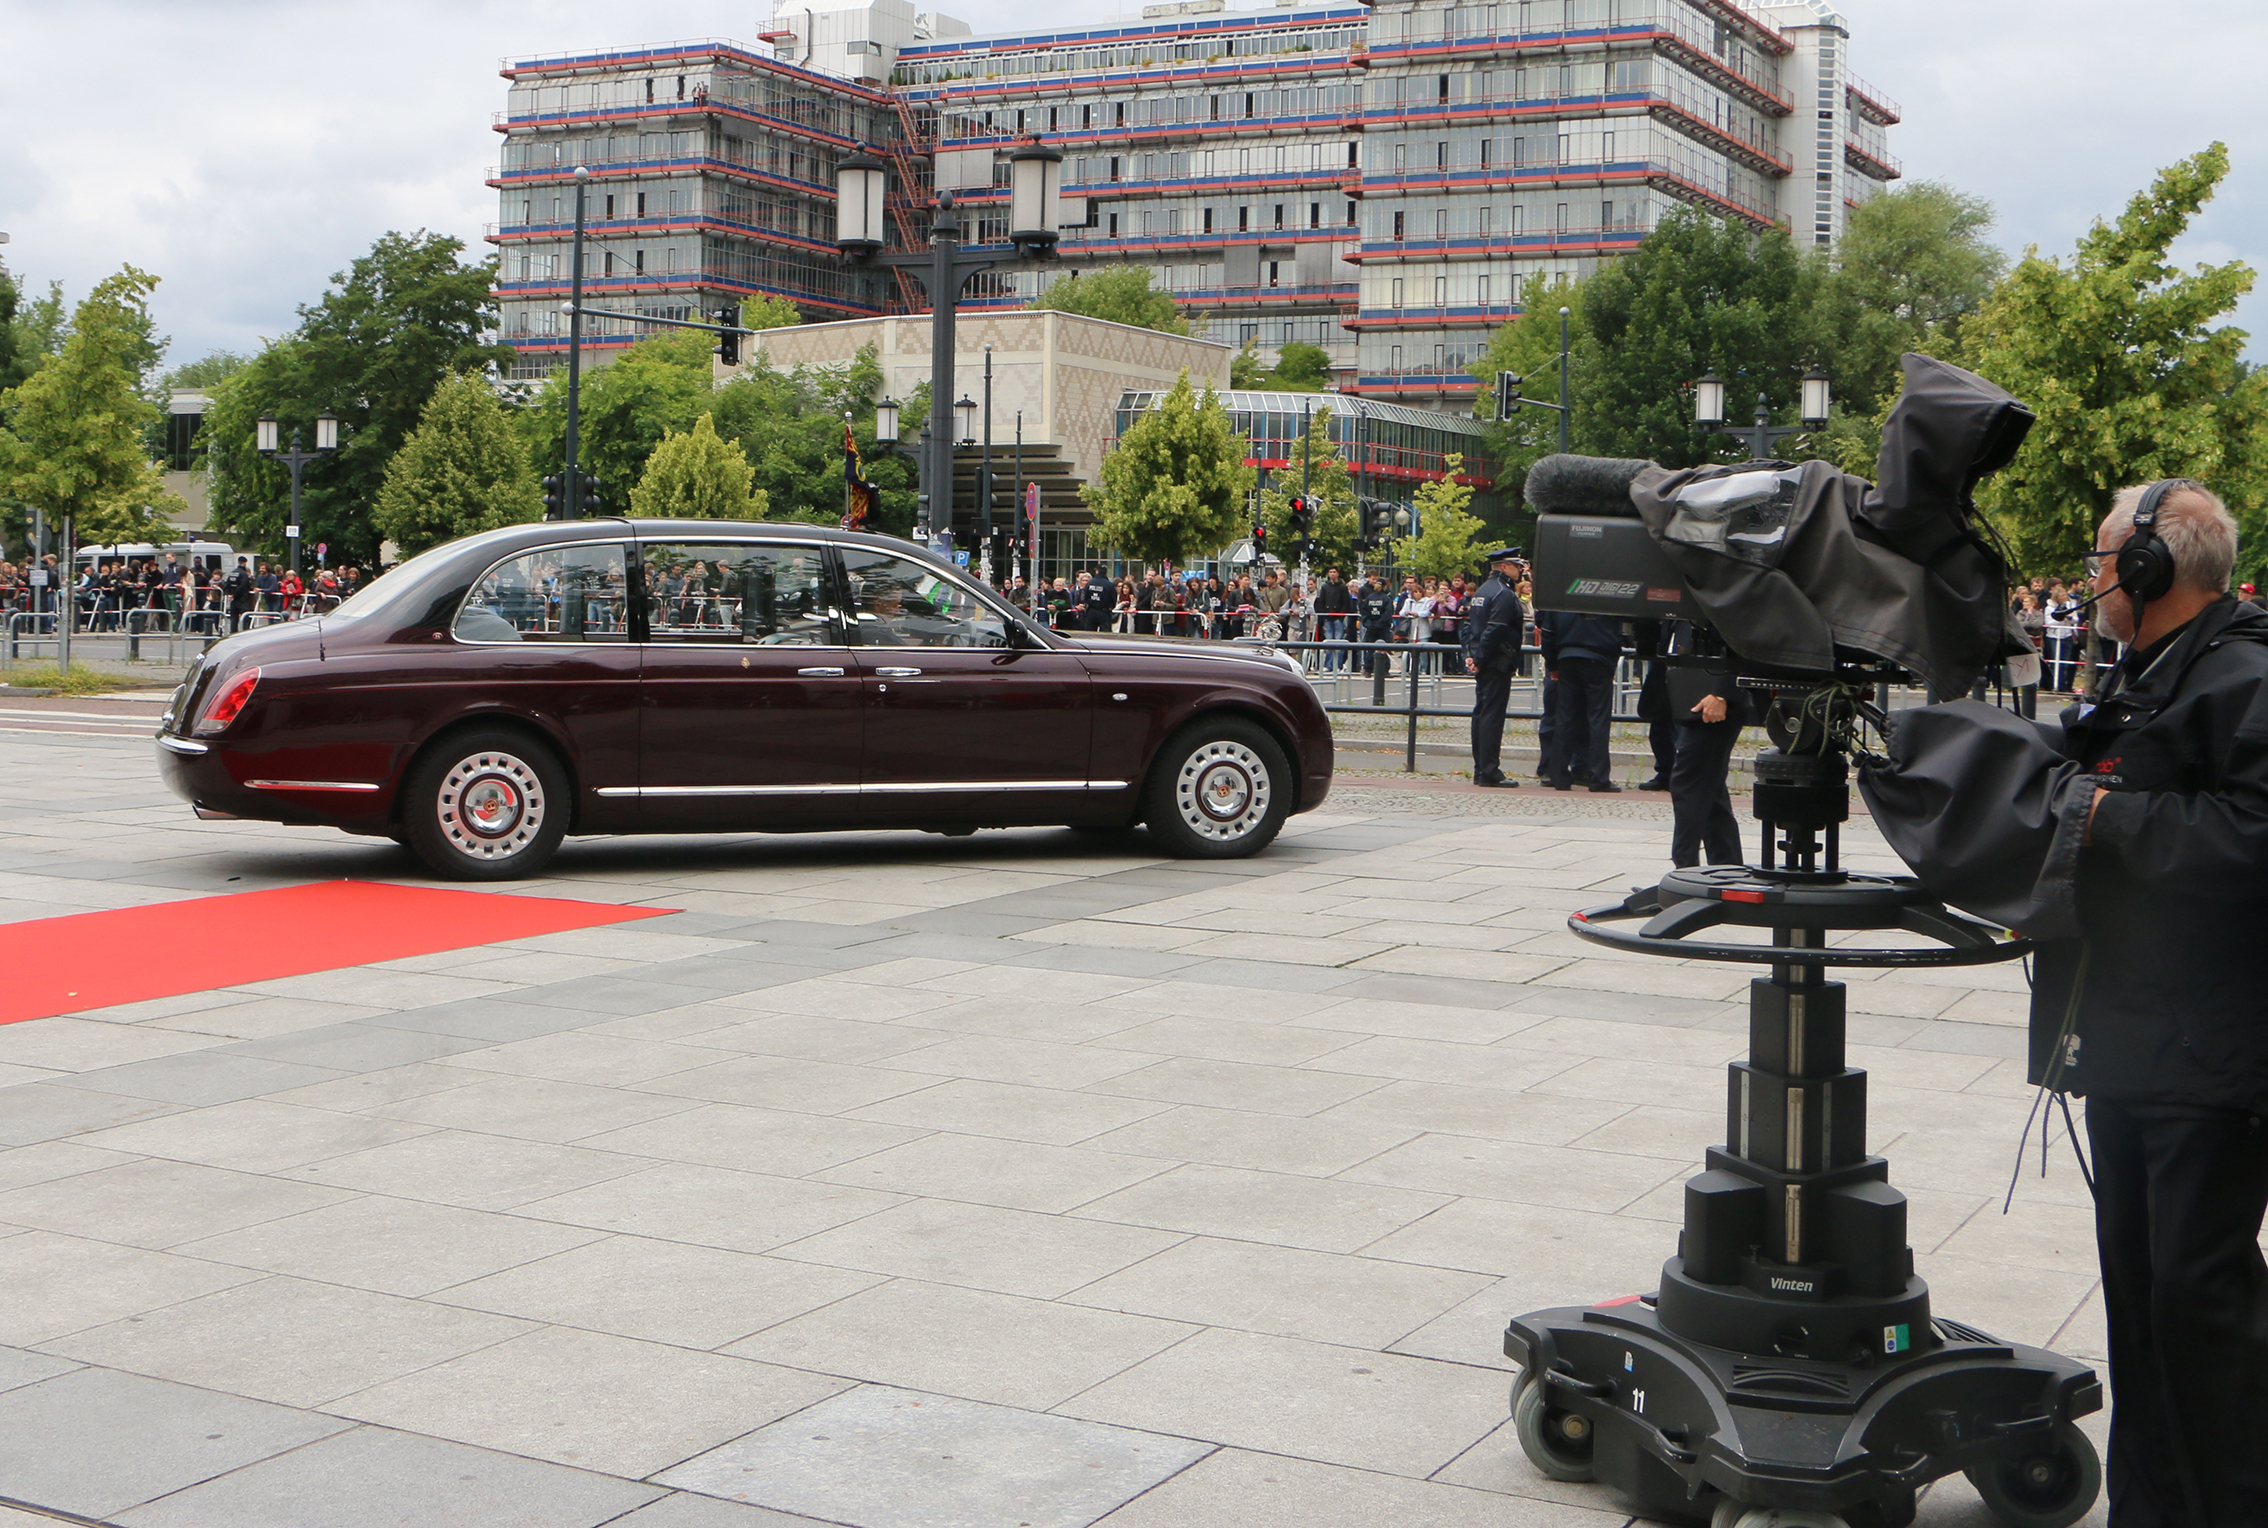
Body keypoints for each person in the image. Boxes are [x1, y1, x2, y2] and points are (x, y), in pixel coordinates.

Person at [1976, 480, 2268, 1528]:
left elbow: (2250, 836)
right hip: (2130, 1034)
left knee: (2200, 1306)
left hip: (2211, 1050)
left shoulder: (2245, 676)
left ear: (2151, 569)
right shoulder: (2153, 670)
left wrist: (2105, 813)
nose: (2096, 576)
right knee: (2145, 1307)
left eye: (2106, 557)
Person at [1661, 619, 1748, 866]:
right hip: (1695, 694)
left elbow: (1741, 636)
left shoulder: (1720, 587)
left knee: (1687, 782)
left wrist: (1723, 692)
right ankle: (1727, 868)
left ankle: (1685, 868)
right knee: (1709, 789)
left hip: (1713, 699)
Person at [1536, 607, 1623, 791]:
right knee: (1598, 720)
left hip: (1567, 656)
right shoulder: (1608, 592)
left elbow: (1548, 633)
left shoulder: (1561, 595)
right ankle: (1598, 777)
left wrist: (1552, 663)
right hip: (1600, 657)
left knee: (1564, 717)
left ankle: (1558, 775)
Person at [1461, 548, 1526, 788]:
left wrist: (1470, 654)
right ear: (1505, 566)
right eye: (1517, 566)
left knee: (1481, 714)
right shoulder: (1503, 593)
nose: (1521, 571)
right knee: (1491, 716)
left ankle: (1482, 769)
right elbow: (1496, 628)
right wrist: (1479, 657)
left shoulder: (1483, 590)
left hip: (1485, 659)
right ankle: (1489, 770)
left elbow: (1469, 627)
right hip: (1497, 661)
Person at [1631, 620, 1678, 792]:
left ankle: (1675, 772)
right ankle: (1665, 772)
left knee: (1677, 725)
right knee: (1660, 723)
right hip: (1661, 661)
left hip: (1683, 665)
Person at [1315, 566, 1353, 671]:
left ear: (1338, 573)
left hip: (1339, 618)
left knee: (1338, 642)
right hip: (1328, 618)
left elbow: (1346, 603)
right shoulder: (1325, 587)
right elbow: (1321, 602)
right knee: (1328, 643)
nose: (1332, 574)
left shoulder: (1342, 587)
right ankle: (1328, 665)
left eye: (1334, 572)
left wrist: (1341, 614)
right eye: (1330, 572)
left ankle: (1338, 665)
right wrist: (1324, 615)